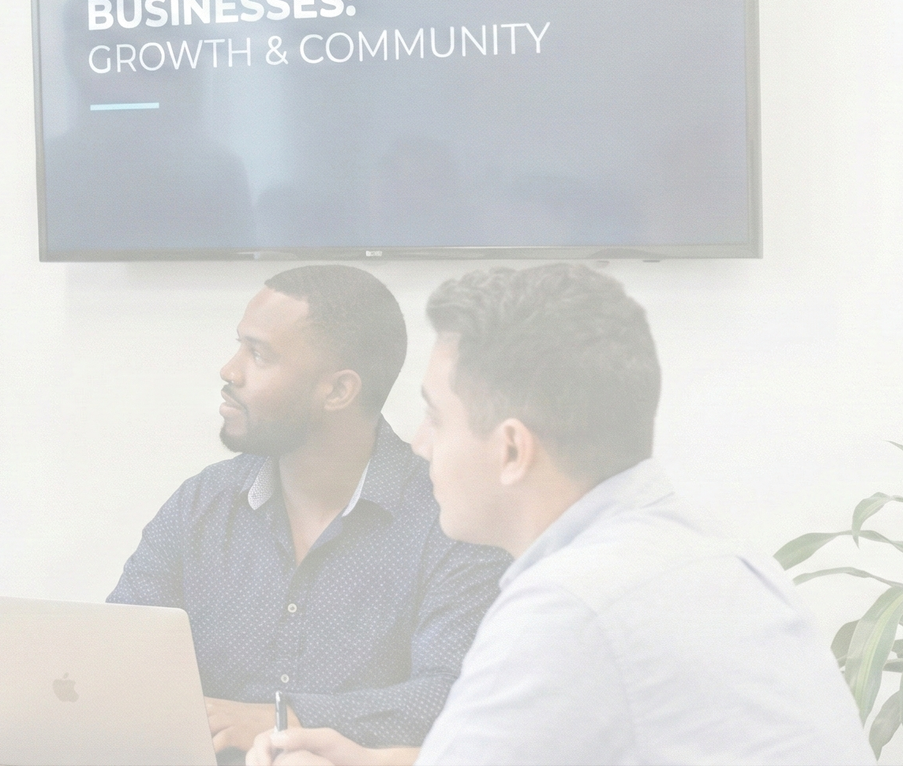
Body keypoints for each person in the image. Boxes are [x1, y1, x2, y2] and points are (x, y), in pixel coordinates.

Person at [250, 264, 870, 766]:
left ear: (513, 449)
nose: (418, 443)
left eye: (436, 417)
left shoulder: (567, 609)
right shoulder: (712, 560)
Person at [110, 265, 508, 758]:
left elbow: (454, 694)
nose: (230, 371)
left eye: (259, 354)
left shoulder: (451, 521)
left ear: (338, 391)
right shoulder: (200, 506)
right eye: (239, 346)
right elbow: (116, 658)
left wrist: (285, 718)